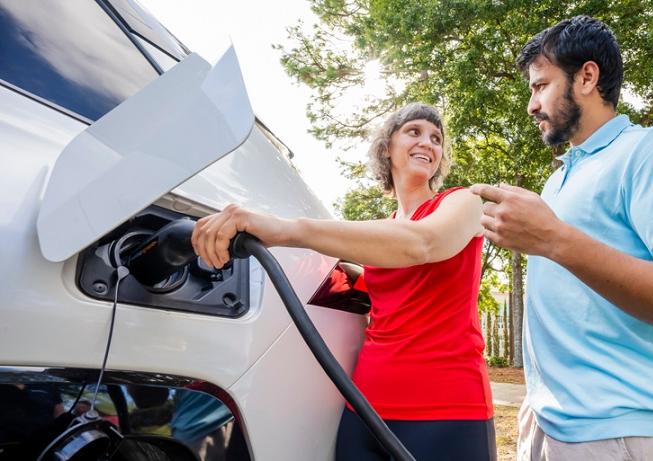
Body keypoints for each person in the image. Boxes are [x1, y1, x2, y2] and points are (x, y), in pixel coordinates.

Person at [470, 16, 653, 461]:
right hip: (548, 425)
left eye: (540, 86)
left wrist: (554, 240)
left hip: (629, 432)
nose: (531, 105)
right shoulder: (558, 182)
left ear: (587, 77)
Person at [192, 102, 496, 461]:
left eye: (436, 138)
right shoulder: (376, 234)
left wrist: (289, 229)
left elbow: (422, 243)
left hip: (448, 408)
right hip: (364, 407)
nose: (428, 143)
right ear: (387, 148)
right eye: (414, 132)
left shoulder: (464, 202)